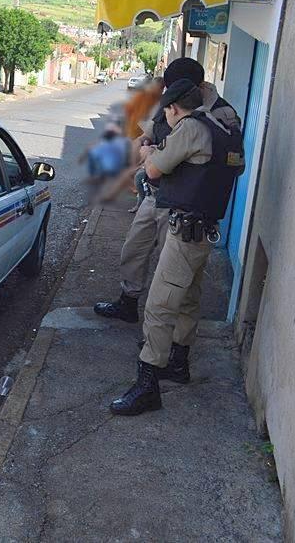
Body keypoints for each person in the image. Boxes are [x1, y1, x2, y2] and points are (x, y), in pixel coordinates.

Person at [109, 79, 245, 415]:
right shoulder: (221, 123)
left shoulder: (190, 127)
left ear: (172, 108)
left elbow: (154, 170)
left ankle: (147, 385)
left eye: (167, 110)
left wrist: (147, 153)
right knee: (187, 300)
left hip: (185, 231)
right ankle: (179, 365)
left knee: (159, 305)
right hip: (203, 231)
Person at [92, 57, 240, 324]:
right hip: (155, 192)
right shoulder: (172, 101)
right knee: (134, 249)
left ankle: (162, 332)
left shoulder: (221, 114)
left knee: (170, 273)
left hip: (184, 202)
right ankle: (129, 302)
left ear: (197, 87)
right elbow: (149, 135)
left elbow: (230, 163)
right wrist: (141, 151)